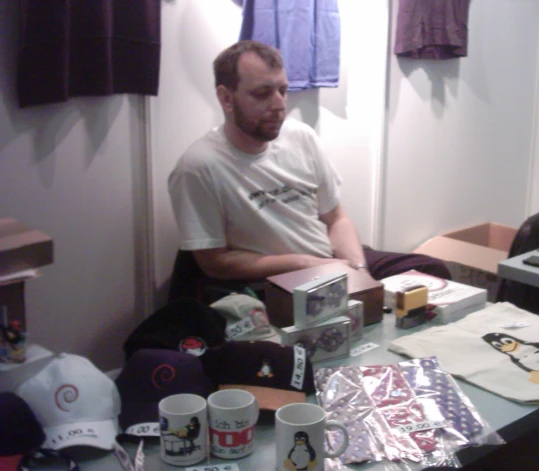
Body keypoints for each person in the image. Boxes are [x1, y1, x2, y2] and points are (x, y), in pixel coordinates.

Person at [167, 40, 449, 299]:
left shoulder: (300, 137)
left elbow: (336, 218)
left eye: (282, 90)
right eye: (262, 93)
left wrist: (359, 271)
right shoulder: (199, 167)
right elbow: (215, 264)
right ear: (226, 99)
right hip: (276, 279)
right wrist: (308, 264)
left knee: (429, 272)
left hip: (332, 260)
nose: (279, 104)